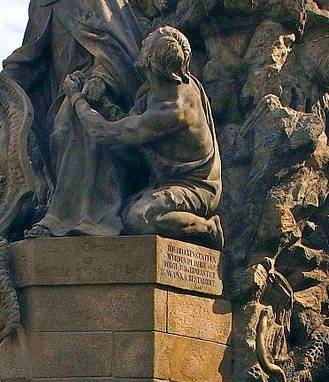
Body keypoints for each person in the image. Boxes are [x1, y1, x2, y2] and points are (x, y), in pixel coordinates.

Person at [3, 0, 143, 236]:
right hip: (61, 85)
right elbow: (35, 47)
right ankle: (62, 213)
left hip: (103, 82)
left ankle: (85, 218)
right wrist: (6, 76)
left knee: (72, 124)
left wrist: (102, 77)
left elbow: (118, 43)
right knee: (51, 131)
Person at [63, 25, 224, 248]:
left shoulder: (172, 110)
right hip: (165, 179)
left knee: (139, 218)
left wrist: (75, 98)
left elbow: (102, 133)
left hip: (197, 188)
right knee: (116, 211)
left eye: (147, 43)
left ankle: (208, 227)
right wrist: (102, 103)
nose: (143, 41)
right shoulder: (163, 85)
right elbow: (127, 123)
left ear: (149, 62)